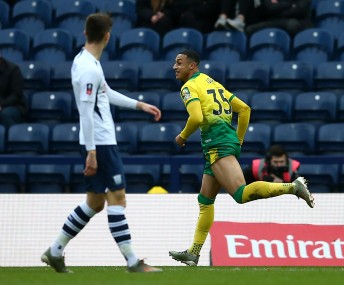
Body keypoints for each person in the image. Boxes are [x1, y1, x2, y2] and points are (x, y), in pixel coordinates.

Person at [168, 49, 315, 266]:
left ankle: (293, 187)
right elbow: (244, 109)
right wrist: (239, 140)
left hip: (216, 143)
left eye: (179, 62)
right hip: (224, 142)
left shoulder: (189, 87)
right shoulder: (212, 83)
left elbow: (197, 117)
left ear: (193, 66)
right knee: (205, 201)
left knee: (240, 194)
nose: (175, 66)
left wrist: (182, 136)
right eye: (175, 63)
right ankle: (194, 252)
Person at [41, 13, 162, 273]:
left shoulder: (87, 63)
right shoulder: (87, 68)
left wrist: (138, 104)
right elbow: (85, 112)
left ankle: (54, 250)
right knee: (117, 196)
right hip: (101, 143)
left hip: (98, 142)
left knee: (95, 202)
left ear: (85, 33)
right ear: (107, 36)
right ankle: (132, 260)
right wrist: (92, 152)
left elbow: (105, 91)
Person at [245, 0, 313, 37]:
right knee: (249, 29)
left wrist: (278, 8)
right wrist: (289, 5)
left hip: (297, 21)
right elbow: (270, 7)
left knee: (293, 25)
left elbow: (300, 10)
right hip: (273, 21)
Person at [0, 54, 27, 128]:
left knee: (6, 114)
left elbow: (16, 95)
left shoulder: (13, 69)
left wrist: (1, 105)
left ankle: (10, 138)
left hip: (13, 105)